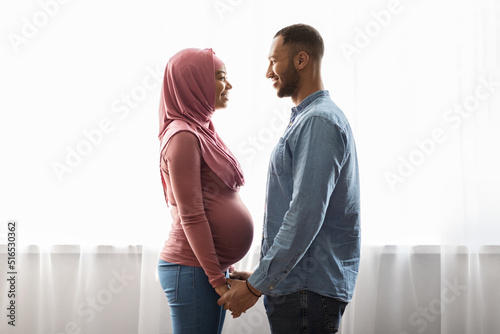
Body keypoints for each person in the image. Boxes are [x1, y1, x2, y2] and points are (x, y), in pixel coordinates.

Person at [218, 24, 361, 333]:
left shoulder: (319, 122)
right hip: (298, 289)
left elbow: (305, 214)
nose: (269, 72)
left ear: (300, 60)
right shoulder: (307, 120)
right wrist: (261, 275)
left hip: (307, 294)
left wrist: (257, 286)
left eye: (273, 60)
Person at [157, 48, 254, 334]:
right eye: (221, 77)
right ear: (194, 83)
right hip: (192, 271)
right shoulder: (183, 136)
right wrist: (216, 278)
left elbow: (214, 204)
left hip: (204, 270)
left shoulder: (202, 130)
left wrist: (224, 267)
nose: (229, 85)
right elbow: (192, 214)